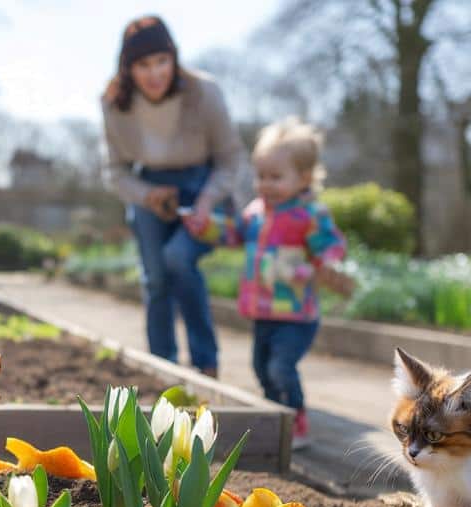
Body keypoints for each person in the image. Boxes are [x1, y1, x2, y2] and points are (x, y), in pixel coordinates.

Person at [101, 15, 245, 378]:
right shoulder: (115, 104)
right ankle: (162, 366)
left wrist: (207, 200)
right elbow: (114, 171)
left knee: (179, 259)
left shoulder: (204, 92)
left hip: (203, 183)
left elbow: (231, 159)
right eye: (143, 65)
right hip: (148, 187)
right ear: (128, 68)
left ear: (173, 58)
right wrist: (148, 195)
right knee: (155, 277)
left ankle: (205, 363)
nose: (154, 74)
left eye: (161, 61)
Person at [189, 118, 347, 449]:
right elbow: (234, 233)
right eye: (260, 176)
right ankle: (275, 418)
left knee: (280, 366)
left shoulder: (309, 214)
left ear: (303, 177)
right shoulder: (255, 213)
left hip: (296, 313)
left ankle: (295, 421)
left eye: (276, 177)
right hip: (263, 311)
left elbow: (330, 243)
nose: (265, 184)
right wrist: (206, 227)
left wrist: (331, 260)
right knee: (261, 368)